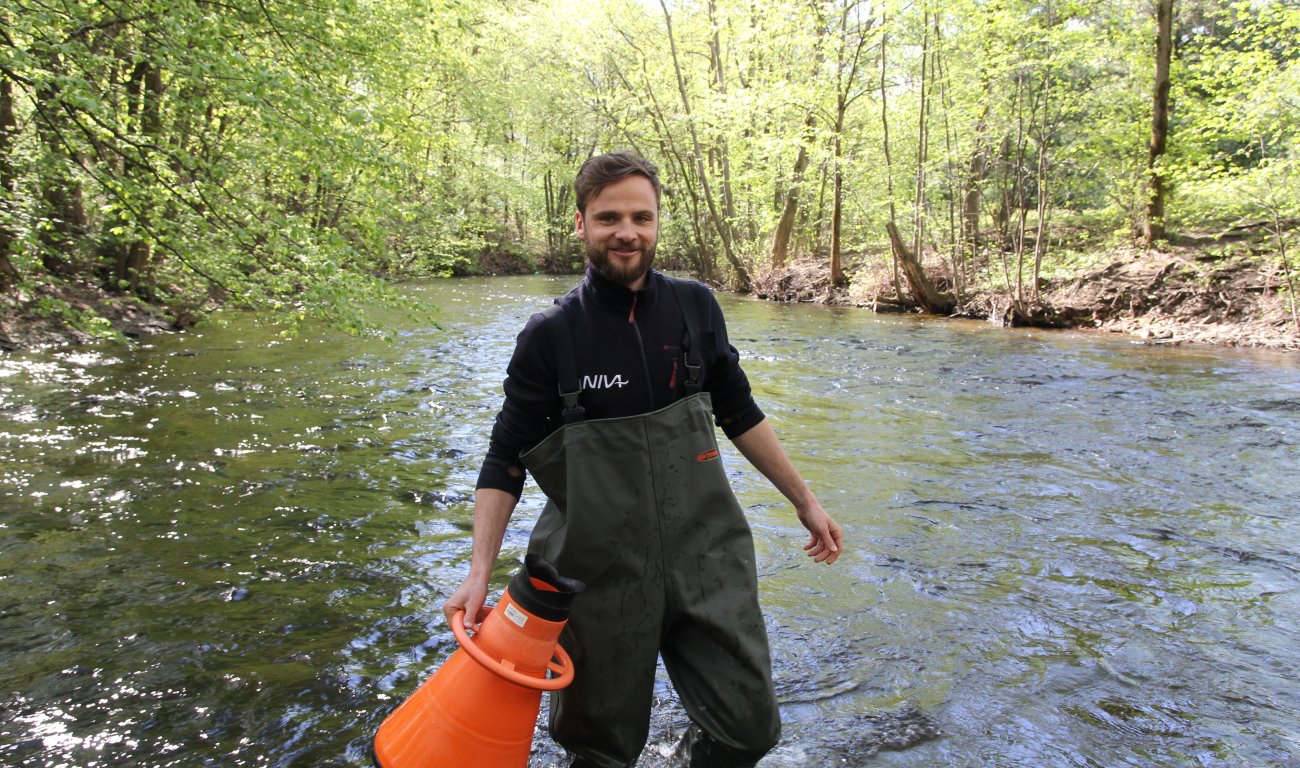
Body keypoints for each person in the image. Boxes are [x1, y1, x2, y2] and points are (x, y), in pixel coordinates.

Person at [443, 150, 842, 768]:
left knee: (749, 732)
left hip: (708, 557)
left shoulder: (695, 308)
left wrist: (806, 502)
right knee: (600, 752)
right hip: (594, 575)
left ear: (657, 222)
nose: (626, 231)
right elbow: (505, 460)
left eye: (640, 216)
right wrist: (478, 573)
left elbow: (739, 412)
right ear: (580, 225)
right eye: (608, 218)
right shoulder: (551, 335)